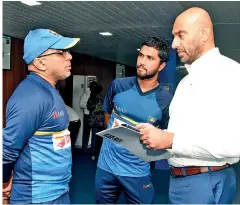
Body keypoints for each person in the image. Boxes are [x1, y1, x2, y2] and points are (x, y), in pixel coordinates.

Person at [138, 7, 240, 204]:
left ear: (204, 33)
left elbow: (234, 143)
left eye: (180, 35)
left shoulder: (230, 74)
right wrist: (157, 139)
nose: (174, 44)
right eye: (174, 36)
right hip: (182, 180)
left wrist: (169, 141)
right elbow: (186, 132)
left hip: (205, 181)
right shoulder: (186, 81)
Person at [2, 28, 80, 204]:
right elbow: (6, 151)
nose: (69, 57)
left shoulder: (49, 89)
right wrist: (4, 184)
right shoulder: (32, 96)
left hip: (58, 191)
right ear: (40, 63)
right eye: (61, 53)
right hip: (37, 197)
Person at [95, 36, 172, 204]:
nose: (142, 61)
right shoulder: (118, 85)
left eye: (150, 58)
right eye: (141, 55)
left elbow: (165, 137)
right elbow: (107, 115)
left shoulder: (166, 101)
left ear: (162, 65)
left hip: (137, 172)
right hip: (105, 168)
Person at [87, 84, 104, 160]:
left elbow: (88, 107)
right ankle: (101, 154)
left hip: (93, 120)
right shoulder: (101, 99)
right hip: (101, 120)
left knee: (94, 138)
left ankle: (93, 155)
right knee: (101, 137)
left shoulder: (91, 98)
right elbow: (104, 108)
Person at [80, 81, 98, 154]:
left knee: (95, 133)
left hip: (95, 116)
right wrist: (88, 106)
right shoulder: (85, 94)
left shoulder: (97, 95)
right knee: (86, 132)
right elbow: (81, 105)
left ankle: (93, 150)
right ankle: (84, 149)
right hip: (87, 115)